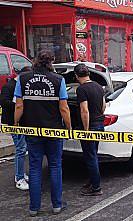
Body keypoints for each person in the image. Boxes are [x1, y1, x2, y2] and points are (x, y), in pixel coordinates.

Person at [13, 50, 71, 216]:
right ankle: (57, 205)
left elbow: (19, 106)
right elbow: (64, 108)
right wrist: (68, 127)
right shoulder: (58, 80)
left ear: (35, 61)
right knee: (55, 166)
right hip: (54, 131)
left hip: (32, 131)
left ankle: (34, 208)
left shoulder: (23, 79)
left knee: (35, 168)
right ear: (51, 62)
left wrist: (16, 124)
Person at [74, 64, 105, 196]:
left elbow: (84, 110)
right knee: (94, 155)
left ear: (76, 76)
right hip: (99, 124)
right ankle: (93, 180)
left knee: (90, 157)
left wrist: (86, 130)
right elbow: (103, 106)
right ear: (89, 74)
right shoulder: (99, 87)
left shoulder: (81, 89)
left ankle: (96, 187)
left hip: (89, 126)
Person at [0, 67, 31, 191]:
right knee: (20, 148)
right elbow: (3, 102)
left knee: (23, 148)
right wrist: (19, 105)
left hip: (21, 122)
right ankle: (19, 177)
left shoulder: (20, 85)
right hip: (13, 122)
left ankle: (20, 173)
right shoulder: (9, 86)